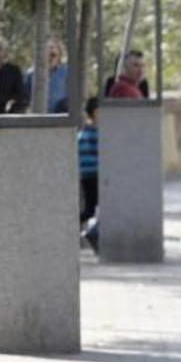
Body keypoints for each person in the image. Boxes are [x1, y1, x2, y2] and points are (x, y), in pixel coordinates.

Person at [78, 97, 100, 252]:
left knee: (91, 208)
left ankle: (92, 233)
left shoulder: (84, 131)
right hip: (93, 175)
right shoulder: (93, 132)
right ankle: (90, 233)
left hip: (87, 175)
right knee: (91, 209)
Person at [23, 40, 68, 113]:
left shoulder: (66, 73)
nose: (49, 58)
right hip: (37, 117)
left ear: (59, 56)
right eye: (46, 54)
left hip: (60, 118)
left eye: (53, 55)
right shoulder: (30, 74)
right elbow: (25, 99)